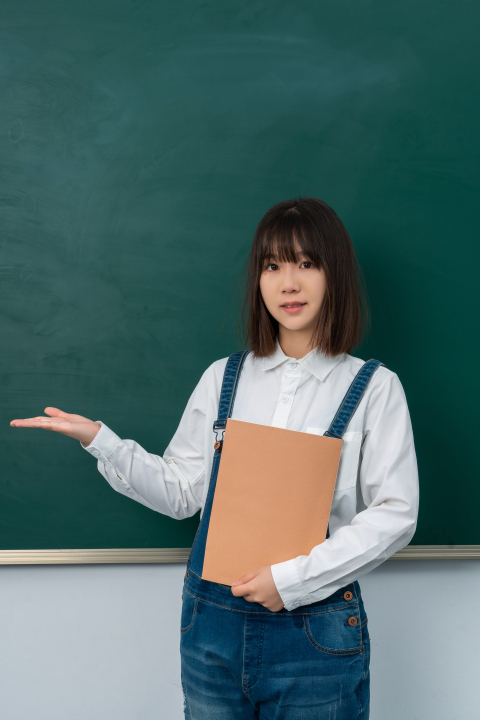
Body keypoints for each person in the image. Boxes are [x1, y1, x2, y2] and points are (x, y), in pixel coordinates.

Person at [10, 197, 419, 719]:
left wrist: (292, 582)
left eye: (306, 264)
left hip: (316, 636)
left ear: (332, 273)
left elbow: (395, 513)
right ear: (258, 279)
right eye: (272, 266)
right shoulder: (223, 379)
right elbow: (184, 491)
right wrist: (102, 441)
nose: (288, 284)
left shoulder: (374, 388)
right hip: (211, 631)